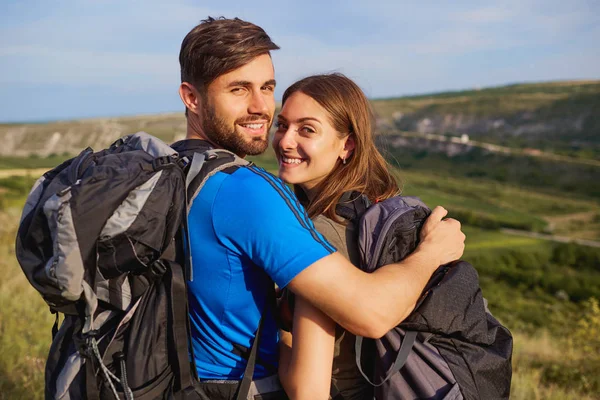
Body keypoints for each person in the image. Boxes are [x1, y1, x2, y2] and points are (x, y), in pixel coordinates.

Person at [171, 17, 465, 400]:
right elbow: (367, 317)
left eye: (267, 87)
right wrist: (432, 254)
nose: (261, 108)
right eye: (239, 89)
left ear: (348, 145)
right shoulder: (251, 193)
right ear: (191, 98)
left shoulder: (174, 170)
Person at [273, 73, 403, 399]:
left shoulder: (322, 232)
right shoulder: (371, 211)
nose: (286, 141)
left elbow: (308, 391)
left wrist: (255, 343)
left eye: (307, 129)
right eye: (282, 124)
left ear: (347, 144)